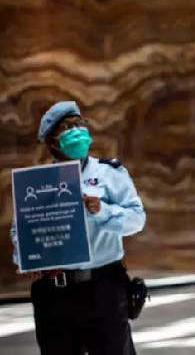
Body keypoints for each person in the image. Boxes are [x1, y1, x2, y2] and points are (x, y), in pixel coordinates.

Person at [10, 101, 145, 355]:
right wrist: (26, 258)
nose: (76, 130)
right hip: (54, 294)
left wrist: (102, 210)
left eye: (79, 123)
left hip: (103, 288)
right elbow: (21, 231)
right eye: (67, 127)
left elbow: (137, 220)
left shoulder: (110, 173)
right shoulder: (36, 183)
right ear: (52, 142)